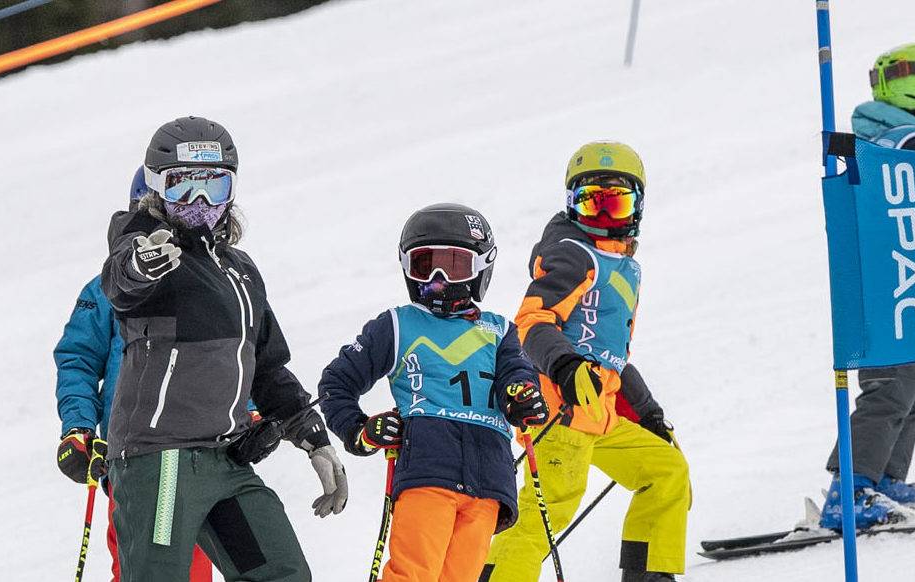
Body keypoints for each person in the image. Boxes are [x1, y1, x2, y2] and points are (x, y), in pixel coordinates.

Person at [99, 116, 349, 581]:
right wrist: (139, 263)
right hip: (162, 462)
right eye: (182, 187)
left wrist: (312, 437)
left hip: (226, 463)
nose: (198, 202)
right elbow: (121, 281)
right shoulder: (150, 250)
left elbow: (268, 367)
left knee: (281, 572)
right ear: (156, 188)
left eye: (213, 187)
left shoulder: (241, 272)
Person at [480, 142, 689, 582]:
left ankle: (649, 576)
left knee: (666, 471)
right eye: (592, 204)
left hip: (598, 411)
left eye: (618, 204)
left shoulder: (622, 264)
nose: (605, 217)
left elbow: (611, 358)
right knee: (546, 515)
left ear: (639, 208)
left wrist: (646, 412)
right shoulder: (574, 254)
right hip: (560, 407)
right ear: (571, 205)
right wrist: (564, 367)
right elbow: (532, 322)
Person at [318, 203, 549, 582]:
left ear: (480, 269)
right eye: (425, 266)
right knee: (413, 573)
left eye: (456, 265)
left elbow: (518, 377)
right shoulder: (398, 325)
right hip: (429, 468)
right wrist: (360, 431)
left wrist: (523, 398)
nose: (439, 278)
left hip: (489, 479)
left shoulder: (498, 331)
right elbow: (336, 384)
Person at [817, 22, 915, 533]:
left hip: (884, 279)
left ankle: (884, 478)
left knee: (911, 383)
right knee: (891, 386)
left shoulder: (873, 137)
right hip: (890, 283)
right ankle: (850, 491)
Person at [55, 168, 216, 581]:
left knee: (194, 568)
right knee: (141, 568)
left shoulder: (214, 284)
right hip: (131, 454)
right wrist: (78, 427)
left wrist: (250, 410)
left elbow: (237, 354)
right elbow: (78, 358)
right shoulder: (108, 289)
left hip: (200, 455)